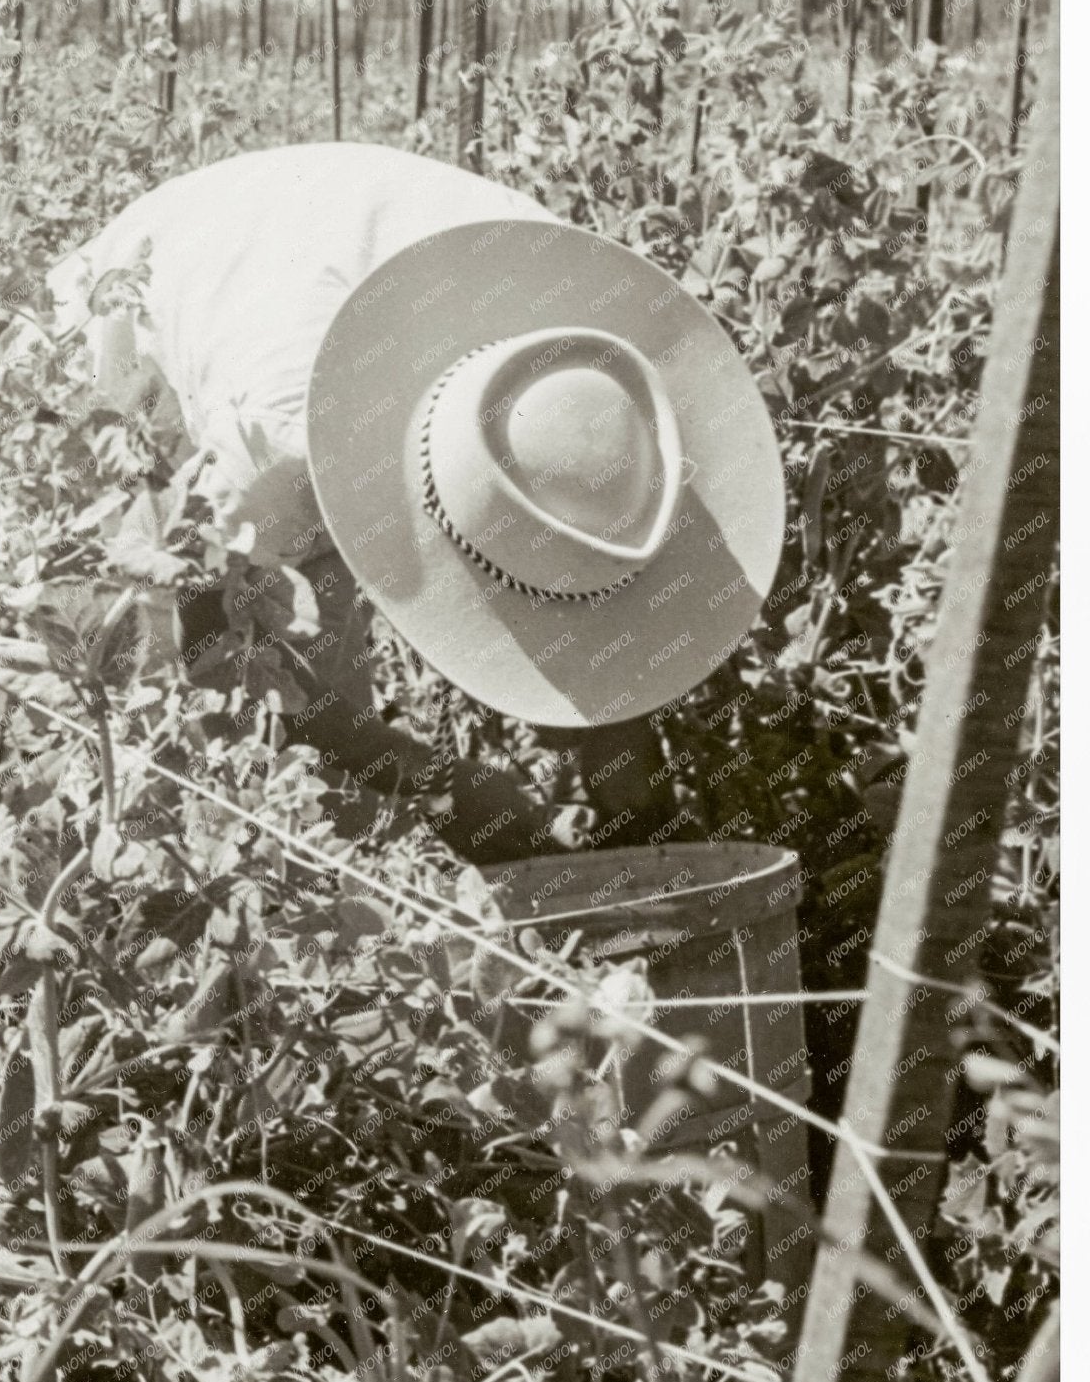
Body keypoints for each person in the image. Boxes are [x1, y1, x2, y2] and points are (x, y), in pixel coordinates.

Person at [47, 142, 786, 864]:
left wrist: (623, 746)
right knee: (231, 743)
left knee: (332, 725)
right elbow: (221, 659)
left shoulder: (578, 362)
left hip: (345, 252)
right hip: (148, 312)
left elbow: (584, 540)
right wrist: (447, 787)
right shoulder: (272, 447)